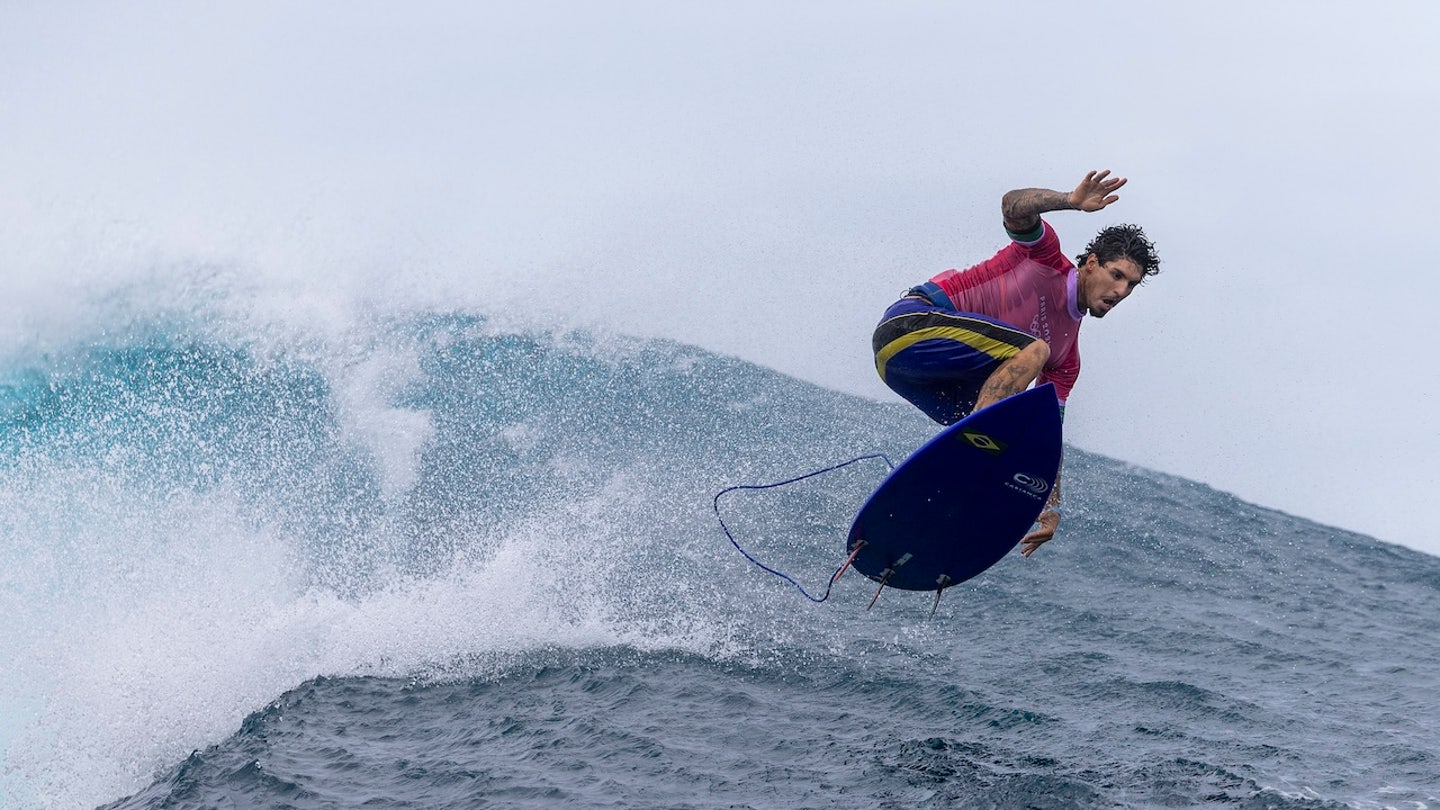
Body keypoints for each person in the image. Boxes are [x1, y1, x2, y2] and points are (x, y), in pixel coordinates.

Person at [872, 170, 1160, 557]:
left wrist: (1050, 506)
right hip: (909, 328)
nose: (1121, 291)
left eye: (1131, 285)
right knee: (1033, 353)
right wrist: (1069, 201)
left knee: (1022, 427)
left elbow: (1047, 436)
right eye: (1116, 275)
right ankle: (966, 461)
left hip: (913, 377)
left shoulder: (1067, 360)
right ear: (1091, 263)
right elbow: (1012, 206)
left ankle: (944, 509)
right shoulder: (1045, 257)